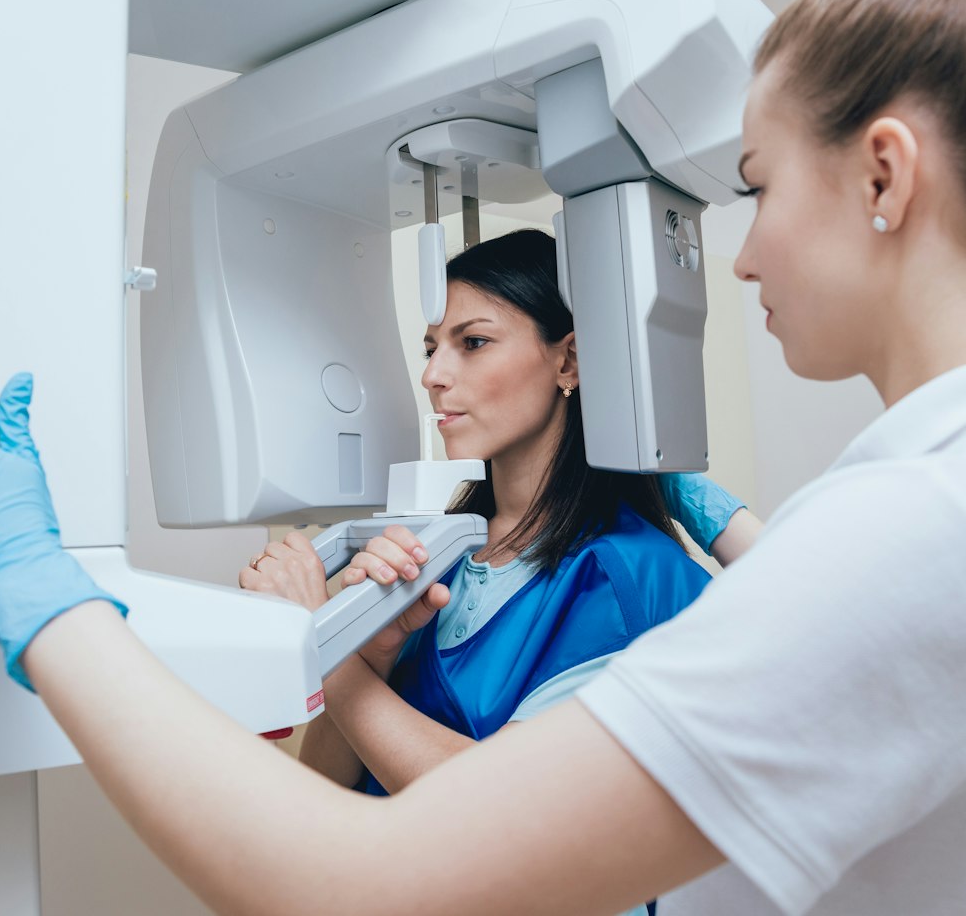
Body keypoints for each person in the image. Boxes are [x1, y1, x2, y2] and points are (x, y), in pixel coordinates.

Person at [0, 0, 965, 912]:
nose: (738, 257)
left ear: (883, 174)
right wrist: (348, 652)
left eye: (758, 186)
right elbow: (331, 799)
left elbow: (365, 877)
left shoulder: (893, 527)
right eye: (429, 345)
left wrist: (45, 593)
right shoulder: (431, 565)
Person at [237, 230, 746, 819]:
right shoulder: (433, 553)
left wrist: (325, 649)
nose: (433, 376)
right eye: (431, 349)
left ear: (569, 360)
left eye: (473, 342)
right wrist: (371, 653)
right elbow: (327, 788)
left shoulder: (625, 576)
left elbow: (498, 810)